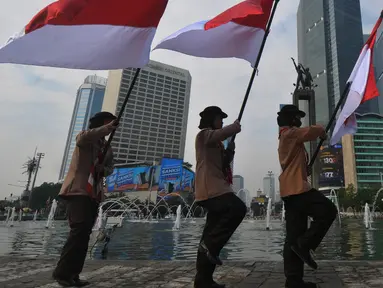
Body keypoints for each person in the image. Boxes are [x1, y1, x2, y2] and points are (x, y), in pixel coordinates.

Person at [52, 112, 118, 287]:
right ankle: (62, 273)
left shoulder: (107, 147)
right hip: (78, 190)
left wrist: (103, 168)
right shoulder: (85, 138)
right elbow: (83, 137)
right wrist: (106, 128)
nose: (110, 128)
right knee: (78, 231)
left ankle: (74, 274)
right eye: (107, 124)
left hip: (94, 193)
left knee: (85, 234)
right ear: (100, 124)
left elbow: (111, 168)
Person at [277, 105, 338, 288]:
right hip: (297, 189)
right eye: (297, 117)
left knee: (293, 236)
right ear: (290, 118)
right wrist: (322, 131)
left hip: (290, 190)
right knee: (328, 210)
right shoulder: (290, 133)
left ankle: (294, 281)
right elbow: (314, 130)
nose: (300, 120)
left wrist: (305, 168)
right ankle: (306, 244)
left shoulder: (287, 137)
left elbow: (294, 163)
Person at [194, 106, 247, 288]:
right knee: (238, 208)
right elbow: (218, 134)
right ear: (211, 120)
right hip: (211, 189)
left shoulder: (216, 142)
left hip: (217, 187)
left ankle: (203, 280)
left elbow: (223, 165)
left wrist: (230, 150)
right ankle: (211, 245)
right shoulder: (203, 135)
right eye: (219, 119)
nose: (222, 122)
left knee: (211, 230)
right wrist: (233, 128)